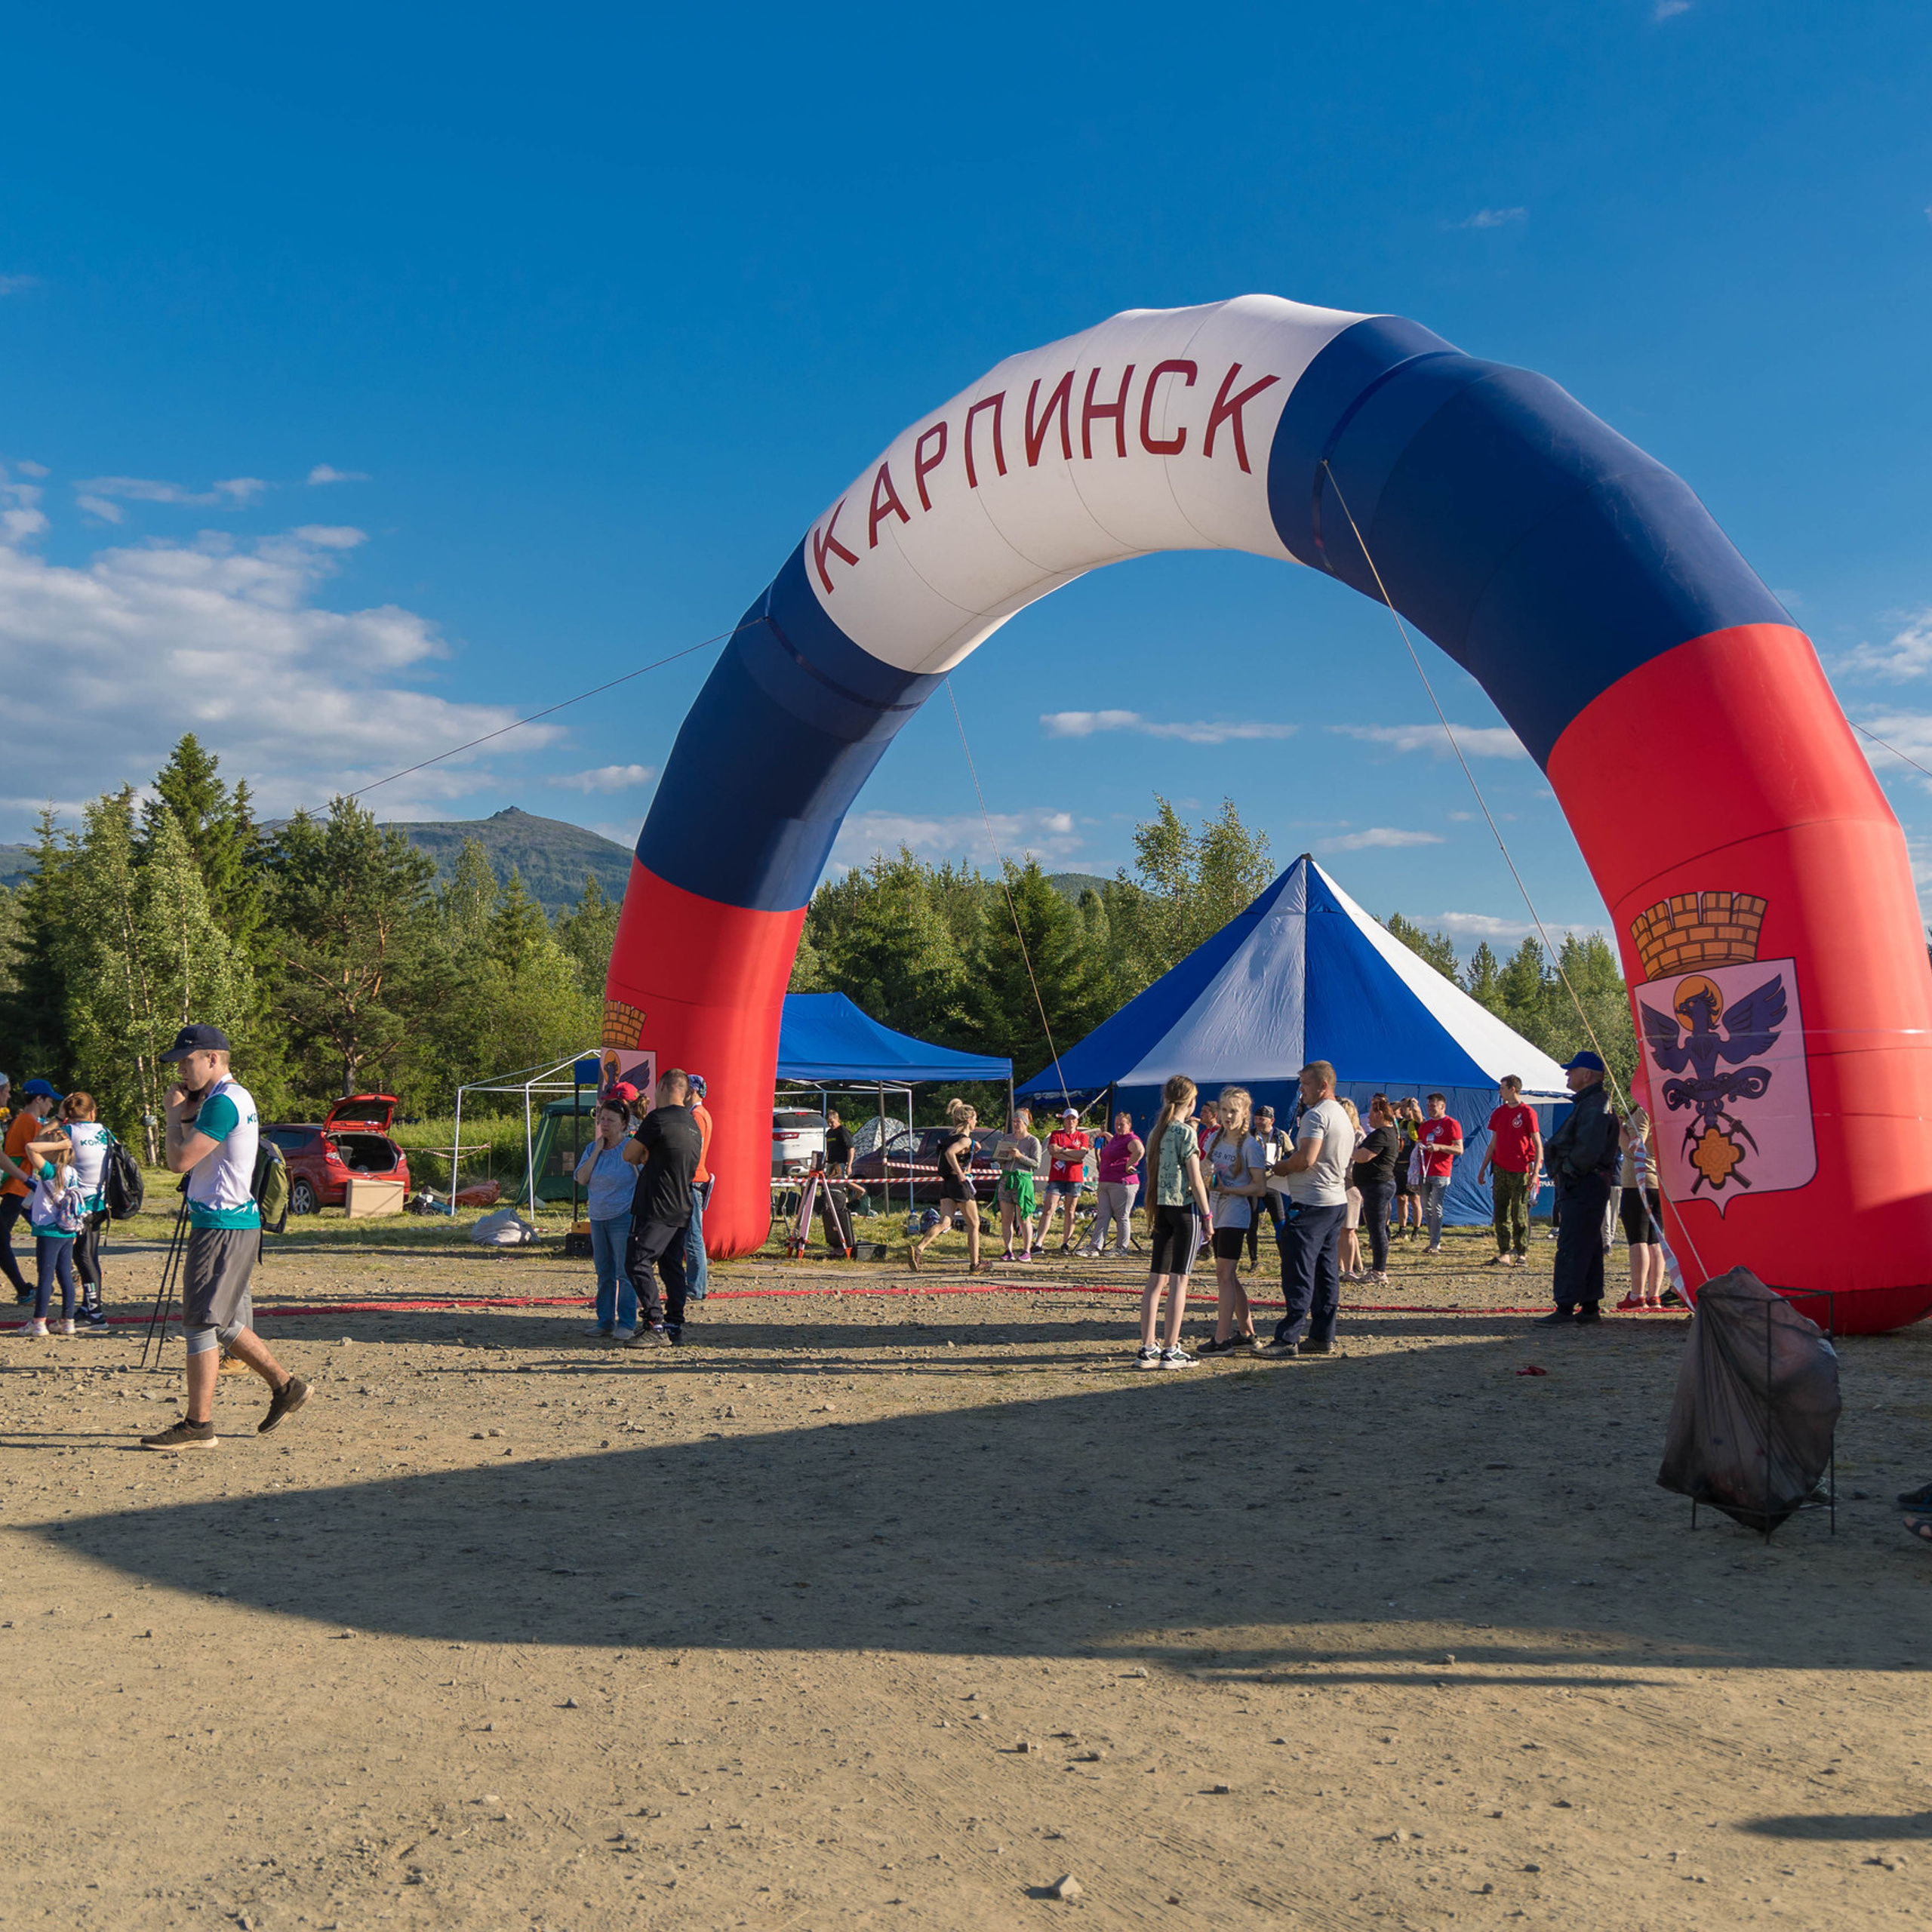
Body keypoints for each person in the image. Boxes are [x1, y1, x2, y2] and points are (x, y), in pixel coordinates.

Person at [140, 1024, 308, 1451]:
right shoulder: (229, 1098)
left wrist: (173, 1115)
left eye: (186, 1061)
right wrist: (188, 1108)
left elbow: (179, 1161)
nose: (180, 1070)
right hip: (230, 1223)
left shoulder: (222, 1104)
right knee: (224, 1323)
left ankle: (199, 1426)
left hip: (221, 1226)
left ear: (213, 1058)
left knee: (199, 1322)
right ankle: (286, 1385)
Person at [1265, 1060, 1353, 1358]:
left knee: (1298, 1271)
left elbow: (1306, 1159)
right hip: (1334, 1202)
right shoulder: (1340, 1113)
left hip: (1312, 1204)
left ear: (1322, 1086)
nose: (1301, 1091)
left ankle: (1288, 1338)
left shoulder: (1315, 1116)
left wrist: (1279, 1168)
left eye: (1304, 1085)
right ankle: (1322, 1335)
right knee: (1326, 1272)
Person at [1536, 1051, 1621, 1326]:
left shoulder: (1595, 1105)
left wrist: (1567, 1171)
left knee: (1573, 1244)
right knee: (1589, 1244)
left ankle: (1565, 1306)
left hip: (1583, 1184)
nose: (1567, 1075)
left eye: (1572, 1070)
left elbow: (1588, 1149)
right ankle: (1589, 1305)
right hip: (1587, 1183)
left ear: (1587, 1075)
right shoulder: (1592, 1103)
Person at [622, 1067, 704, 1345]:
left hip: (655, 1204)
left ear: (662, 1087)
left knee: (637, 1262)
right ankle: (674, 1325)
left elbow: (629, 1154)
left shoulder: (658, 1119)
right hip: (682, 1204)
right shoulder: (693, 1123)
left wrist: (645, 1153)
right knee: (671, 1267)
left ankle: (654, 1324)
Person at [1137, 1074, 1213, 1367]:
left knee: (1156, 1280)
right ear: (1191, 1102)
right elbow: (1195, 1179)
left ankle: (1147, 1346)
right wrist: (1207, 1216)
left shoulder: (1157, 1131)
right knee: (1180, 1280)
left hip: (1161, 1207)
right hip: (1184, 1209)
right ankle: (1171, 1347)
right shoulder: (1186, 1133)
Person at [1198, 1084, 1266, 1355]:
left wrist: (1229, 1190)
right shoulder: (1214, 1139)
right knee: (1229, 1275)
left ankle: (1222, 1339)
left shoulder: (1251, 1145)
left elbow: (1260, 1188)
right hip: (1215, 1211)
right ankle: (1247, 1332)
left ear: (1246, 1113)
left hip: (1235, 1215)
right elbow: (1206, 1169)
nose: (1228, 1116)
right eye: (1225, 1110)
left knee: (1223, 1274)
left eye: (1234, 1111)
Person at [574, 1101, 638, 1340]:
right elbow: (581, 1178)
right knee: (604, 1272)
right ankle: (605, 1321)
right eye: (602, 1119)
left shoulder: (631, 1148)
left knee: (625, 1271)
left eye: (610, 1120)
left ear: (623, 1123)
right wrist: (598, 1150)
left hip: (624, 1216)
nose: (604, 1124)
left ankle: (627, 1323)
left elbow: (643, 1179)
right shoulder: (592, 1148)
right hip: (598, 1217)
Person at [909, 1097, 988, 1272]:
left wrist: (972, 1148)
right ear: (968, 1120)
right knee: (974, 1224)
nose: (976, 1122)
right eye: (975, 1118)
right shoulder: (965, 1140)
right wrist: (961, 1172)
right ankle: (975, 1263)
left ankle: (919, 1248)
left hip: (947, 1184)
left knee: (945, 1222)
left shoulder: (950, 1138)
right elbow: (951, 1153)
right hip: (960, 1184)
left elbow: (952, 1150)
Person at [17, 1126, 82, 1337]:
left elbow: (30, 1147)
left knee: (45, 1277)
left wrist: (57, 1144)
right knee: (65, 1276)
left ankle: (38, 1323)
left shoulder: (49, 1171)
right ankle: (67, 1320)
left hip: (48, 1230)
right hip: (67, 1229)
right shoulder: (72, 1173)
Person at [2, 1078, 62, 1302]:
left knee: (42, 1223)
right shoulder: (29, 1121)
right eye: (49, 1101)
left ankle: (57, 1270)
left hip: (22, 1185)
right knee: (46, 1226)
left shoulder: (22, 1119)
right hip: (20, 1185)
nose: (51, 1106)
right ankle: (30, 1286)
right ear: (39, 1099)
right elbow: (44, 1149)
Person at [1478, 1076, 1543, 1269]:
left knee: (1519, 1213)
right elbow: (1493, 1143)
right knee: (1500, 1212)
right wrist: (1483, 1168)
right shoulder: (1499, 1113)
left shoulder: (1527, 1112)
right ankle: (1504, 1253)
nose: (1500, 1091)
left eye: (1502, 1088)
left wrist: (1536, 1171)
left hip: (1521, 1170)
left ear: (1512, 1089)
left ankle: (1521, 1253)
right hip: (1500, 1168)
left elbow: (1538, 1144)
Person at [60, 1092, 112, 1328]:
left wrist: (59, 1117)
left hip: (80, 1205)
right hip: (101, 1202)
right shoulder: (105, 1132)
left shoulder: (69, 1132)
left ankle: (95, 1313)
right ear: (93, 1112)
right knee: (89, 1256)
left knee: (83, 1257)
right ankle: (89, 1305)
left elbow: (39, 1140)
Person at [1614, 1106, 1666, 1310]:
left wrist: (1619, 1128)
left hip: (1638, 1182)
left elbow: (1635, 1147)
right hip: (1658, 1182)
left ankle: (1637, 1294)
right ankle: (1654, 1295)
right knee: (1655, 1240)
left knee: (1638, 1240)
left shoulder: (1643, 1111)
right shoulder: (1662, 1109)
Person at [1351, 1095, 1399, 1284]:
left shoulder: (1382, 1134)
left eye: (1371, 1113)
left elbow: (1364, 1156)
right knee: (1376, 1228)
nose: (1368, 1117)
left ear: (1380, 1113)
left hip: (1378, 1186)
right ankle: (1378, 1269)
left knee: (1377, 1230)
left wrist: (1345, 1151)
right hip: (1374, 1186)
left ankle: (1379, 1271)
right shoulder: (1384, 1133)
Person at [1083, 1112, 1143, 1257]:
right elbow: (1113, 1143)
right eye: (1117, 1124)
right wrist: (1105, 1134)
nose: (1118, 1127)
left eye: (1122, 1124)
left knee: (1122, 1216)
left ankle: (1121, 1248)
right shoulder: (1117, 1138)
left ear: (1129, 1125)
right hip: (1106, 1181)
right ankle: (1095, 1247)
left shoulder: (1131, 1139)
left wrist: (1129, 1164)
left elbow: (1140, 1150)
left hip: (1122, 1183)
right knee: (1103, 1215)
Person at [1416, 1094, 1464, 1256]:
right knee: (1427, 1208)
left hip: (1441, 1172)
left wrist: (1439, 1147)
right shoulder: (1425, 1125)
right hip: (1424, 1172)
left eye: (1433, 1106)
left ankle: (1435, 1243)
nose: (1430, 1109)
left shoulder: (1451, 1124)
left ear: (1442, 1106)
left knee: (1437, 1208)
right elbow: (1418, 1147)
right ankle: (1432, 1240)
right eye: (1428, 1106)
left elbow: (1459, 1149)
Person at [994, 1107, 1041, 1262]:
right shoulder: (1007, 1138)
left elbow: (1036, 1164)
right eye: (1014, 1121)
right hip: (1007, 1179)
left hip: (1023, 1181)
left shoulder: (1033, 1141)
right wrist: (1002, 1155)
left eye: (1018, 1121)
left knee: (1024, 1217)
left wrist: (1020, 1156)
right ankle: (1008, 1250)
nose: (1015, 1124)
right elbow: (999, 1160)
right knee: (1007, 1218)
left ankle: (1026, 1250)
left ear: (1026, 1123)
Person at [1042, 1106, 1091, 1252]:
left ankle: (1066, 1243)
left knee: (1070, 1210)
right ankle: (1039, 1242)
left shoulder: (1082, 1137)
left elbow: (1082, 1154)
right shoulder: (1056, 1134)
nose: (1071, 1121)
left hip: (1074, 1177)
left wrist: (1062, 1151)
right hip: (1057, 1176)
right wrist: (1072, 1156)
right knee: (1049, 1208)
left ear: (1077, 1121)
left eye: (1073, 1119)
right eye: (1068, 1118)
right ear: (1064, 1120)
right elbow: (1053, 1151)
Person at [1244, 1104, 1287, 1270]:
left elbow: (1291, 1154)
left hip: (1272, 1183)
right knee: (1251, 1224)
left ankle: (1285, 1260)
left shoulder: (1280, 1136)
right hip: (1253, 1183)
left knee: (1280, 1222)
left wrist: (1283, 1166)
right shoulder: (1249, 1135)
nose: (1259, 1122)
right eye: (1256, 1119)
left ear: (1272, 1120)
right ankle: (1254, 1260)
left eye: (1262, 1119)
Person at [684, 1072, 715, 1298]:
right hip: (696, 1179)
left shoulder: (696, 1116)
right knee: (692, 1235)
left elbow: (692, 1151)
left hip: (692, 1180)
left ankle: (696, 1288)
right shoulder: (701, 1114)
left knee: (693, 1236)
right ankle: (696, 1286)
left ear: (692, 1091)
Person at [1335, 1097, 1365, 1280]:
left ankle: (1350, 1269)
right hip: (1336, 1185)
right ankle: (1345, 1265)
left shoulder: (1359, 1137)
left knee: (1349, 1229)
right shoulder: (1334, 1136)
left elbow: (1357, 1168)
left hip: (1350, 1186)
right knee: (1342, 1230)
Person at [1392, 1097, 1424, 1241]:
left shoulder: (1416, 1123)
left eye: (1406, 1107)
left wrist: (1414, 1105)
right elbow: (1388, 1113)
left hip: (1413, 1168)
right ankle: (1402, 1229)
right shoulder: (1400, 1123)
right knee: (1401, 1198)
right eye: (1402, 1107)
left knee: (1414, 1198)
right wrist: (1399, 1105)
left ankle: (1416, 1230)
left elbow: (1418, 1115)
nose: (1403, 1110)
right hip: (1399, 1164)